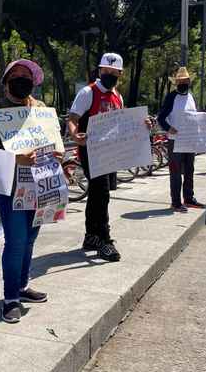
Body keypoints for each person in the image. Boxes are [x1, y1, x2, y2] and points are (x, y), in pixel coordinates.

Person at [0, 59, 53, 324]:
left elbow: (52, 142)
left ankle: (22, 285)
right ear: (6, 80)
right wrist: (15, 158)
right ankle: (10, 298)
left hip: (39, 183)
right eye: (16, 75)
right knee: (16, 240)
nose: (22, 79)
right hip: (10, 186)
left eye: (27, 75)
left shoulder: (41, 109)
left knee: (31, 237)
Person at [67, 53, 125, 262]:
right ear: (100, 71)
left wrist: (142, 125)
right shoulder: (88, 92)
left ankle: (91, 235)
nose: (108, 75)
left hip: (111, 152)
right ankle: (104, 240)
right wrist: (75, 135)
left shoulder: (117, 95)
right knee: (101, 193)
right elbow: (72, 119)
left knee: (98, 193)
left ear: (120, 73)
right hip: (92, 151)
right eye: (105, 71)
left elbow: (123, 121)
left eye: (113, 72)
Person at [157, 67, 204, 213]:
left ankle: (189, 198)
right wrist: (168, 128)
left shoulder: (191, 96)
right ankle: (176, 202)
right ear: (176, 82)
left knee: (190, 169)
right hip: (175, 140)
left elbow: (194, 118)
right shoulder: (171, 97)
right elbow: (161, 117)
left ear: (189, 82)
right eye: (180, 81)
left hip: (189, 140)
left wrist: (204, 130)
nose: (183, 83)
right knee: (176, 171)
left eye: (185, 81)